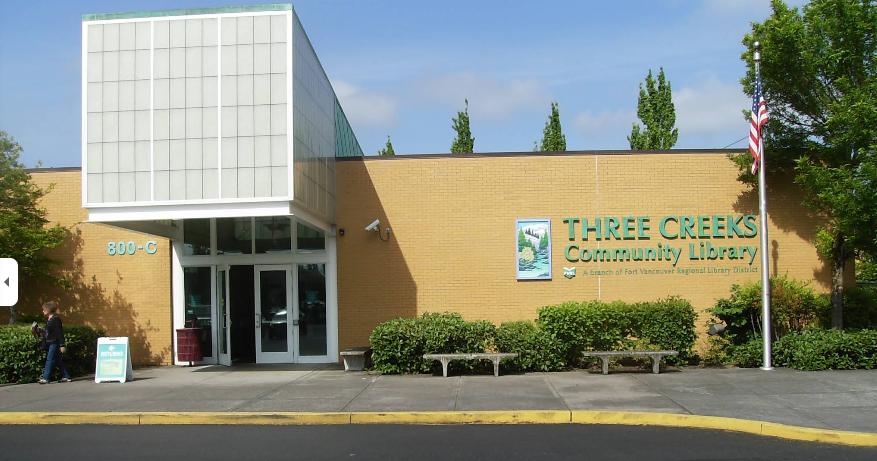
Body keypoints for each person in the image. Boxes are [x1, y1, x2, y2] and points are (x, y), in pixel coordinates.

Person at [39, 301, 71, 384]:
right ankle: (66, 376)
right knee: (57, 359)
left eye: (44, 309)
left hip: (54, 342)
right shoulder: (49, 320)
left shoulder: (55, 319)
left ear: (49, 309)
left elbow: (59, 332)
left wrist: (62, 345)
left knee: (50, 359)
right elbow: (49, 332)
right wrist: (41, 330)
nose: (43, 311)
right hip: (49, 342)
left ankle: (45, 378)